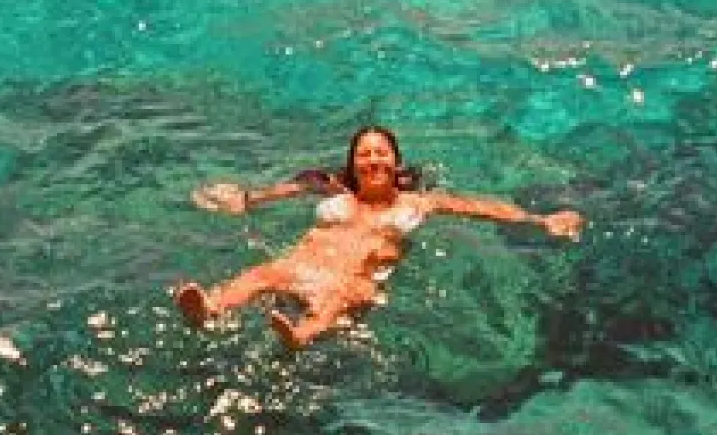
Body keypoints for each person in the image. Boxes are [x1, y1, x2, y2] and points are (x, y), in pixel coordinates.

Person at [174, 125, 583, 350]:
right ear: (352, 165)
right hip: (302, 266)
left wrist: (540, 220)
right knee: (262, 274)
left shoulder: (418, 203)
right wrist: (246, 199)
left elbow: (480, 207)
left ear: (396, 163)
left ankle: (300, 336)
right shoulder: (336, 193)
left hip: (355, 279)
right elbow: (292, 188)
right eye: (364, 154)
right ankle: (211, 307)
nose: (373, 159)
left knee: (338, 296)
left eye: (381, 152)